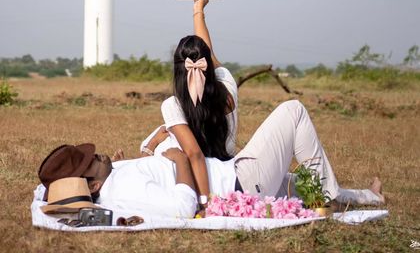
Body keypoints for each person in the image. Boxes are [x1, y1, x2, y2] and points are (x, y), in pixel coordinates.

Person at [38, 100, 384, 219]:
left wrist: (126, 160)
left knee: (310, 186)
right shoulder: (121, 188)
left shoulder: (115, 178)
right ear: (94, 184)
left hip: (239, 177)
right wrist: (178, 160)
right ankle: (329, 196)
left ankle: (368, 197)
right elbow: (182, 207)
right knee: (292, 112)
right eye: (92, 160)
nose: (97, 153)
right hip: (240, 183)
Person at [139, 0, 238, 212]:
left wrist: (205, 204)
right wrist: (198, 11)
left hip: (197, 178)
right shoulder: (227, 87)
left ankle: (147, 148)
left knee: (161, 140)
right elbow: (207, 49)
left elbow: (194, 154)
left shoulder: (173, 105)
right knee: (164, 134)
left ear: (177, 69)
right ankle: (149, 146)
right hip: (226, 170)